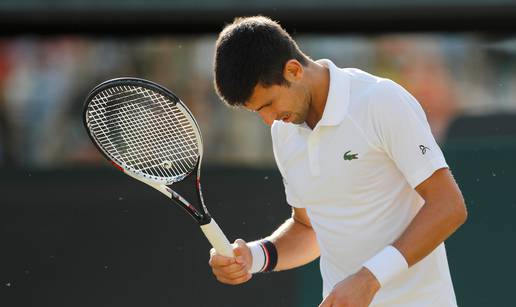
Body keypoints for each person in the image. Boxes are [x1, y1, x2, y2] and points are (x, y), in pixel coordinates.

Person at [209, 16, 467, 307]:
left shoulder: (381, 101)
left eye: (268, 104)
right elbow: (309, 228)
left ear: (293, 71)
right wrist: (254, 256)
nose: (268, 120)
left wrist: (370, 279)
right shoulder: (283, 131)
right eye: (257, 111)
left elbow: (448, 206)